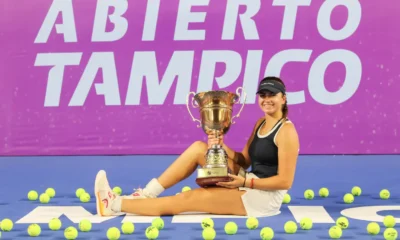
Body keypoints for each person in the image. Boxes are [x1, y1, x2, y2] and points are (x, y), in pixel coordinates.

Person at [94, 76, 300, 217]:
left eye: (272, 95)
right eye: (263, 95)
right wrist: (222, 146)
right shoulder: (261, 123)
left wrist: (246, 181)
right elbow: (244, 160)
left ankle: (112, 205)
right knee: (199, 148)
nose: (266, 100)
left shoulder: (287, 132)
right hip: (249, 180)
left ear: (283, 98)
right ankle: (146, 194)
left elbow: (285, 181)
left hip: (263, 200)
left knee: (190, 198)